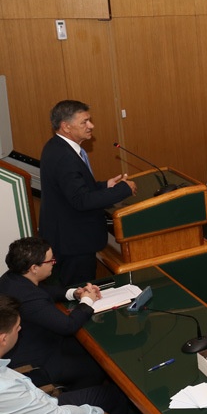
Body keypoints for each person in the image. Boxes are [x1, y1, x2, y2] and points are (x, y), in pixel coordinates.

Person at [0, 295, 152, 414]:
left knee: (113, 394)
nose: (21, 329)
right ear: (3, 339)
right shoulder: (4, 390)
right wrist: (95, 413)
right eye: (18, 328)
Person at [40, 100, 137, 288]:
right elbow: (81, 200)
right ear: (66, 126)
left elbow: (72, 189)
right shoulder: (64, 157)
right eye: (84, 122)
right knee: (79, 294)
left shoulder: (57, 147)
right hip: (74, 243)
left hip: (69, 238)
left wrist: (103, 186)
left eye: (90, 120)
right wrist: (123, 190)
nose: (91, 126)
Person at [0, 238, 105, 389]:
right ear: (34, 268)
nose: (53, 263)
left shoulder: (12, 277)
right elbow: (68, 326)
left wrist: (74, 293)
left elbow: (42, 291)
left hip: (35, 341)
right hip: (36, 360)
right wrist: (87, 301)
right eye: (50, 261)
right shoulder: (31, 299)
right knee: (95, 368)